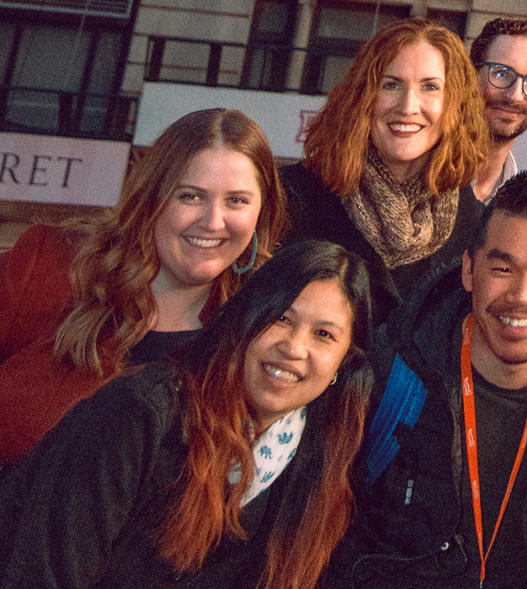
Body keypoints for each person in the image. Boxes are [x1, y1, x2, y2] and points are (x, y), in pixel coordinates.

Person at [331, 170, 527, 588]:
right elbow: (331, 519)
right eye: (502, 267)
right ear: (468, 270)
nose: (523, 294)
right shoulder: (391, 365)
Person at [0, 240, 375, 589]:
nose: (294, 347)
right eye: (281, 318)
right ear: (245, 322)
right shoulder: (141, 412)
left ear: (344, 363)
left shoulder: (316, 462)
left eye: (324, 335)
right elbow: (40, 574)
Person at [0, 108, 288, 466]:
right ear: (152, 197)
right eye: (190, 196)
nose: (213, 222)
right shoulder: (52, 265)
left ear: (262, 211)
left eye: (236, 201)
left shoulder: (264, 330)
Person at [280, 18, 489, 321]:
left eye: (430, 87)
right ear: (362, 97)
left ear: (454, 105)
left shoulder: (476, 227)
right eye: (391, 85)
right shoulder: (291, 197)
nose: (407, 106)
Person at [468, 18, 527, 203]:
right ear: (471, 76)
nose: (515, 96)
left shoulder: (521, 205)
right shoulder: (415, 169)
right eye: (501, 73)